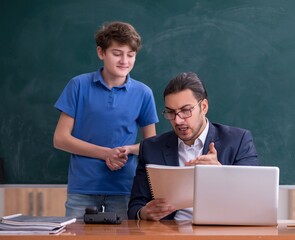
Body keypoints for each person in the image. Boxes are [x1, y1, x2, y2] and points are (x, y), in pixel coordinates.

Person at [53, 21, 159, 219]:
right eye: (117, 53)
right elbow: (60, 139)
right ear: (101, 53)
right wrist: (106, 154)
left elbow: (150, 144)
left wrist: (127, 149)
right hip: (83, 188)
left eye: (131, 55)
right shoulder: (78, 85)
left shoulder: (144, 93)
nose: (124, 61)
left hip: (125, 189)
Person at [128, 72, 259, 221]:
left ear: (203, 107)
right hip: (168, 233)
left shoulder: (238, 141)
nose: (178, 120)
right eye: (171, 112)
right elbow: (135, 207)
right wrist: (144, 213)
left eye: (185, 111)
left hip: (221, 231)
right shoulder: (151, 148)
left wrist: (221, 174)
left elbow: (253, 199)